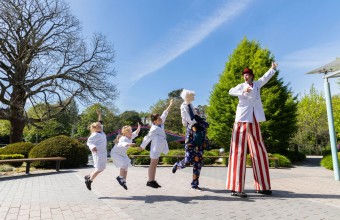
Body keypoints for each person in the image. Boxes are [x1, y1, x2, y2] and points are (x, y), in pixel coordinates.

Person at [226, 62, 278, 198]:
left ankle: (263, 186)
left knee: (259, 150)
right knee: (239, 151)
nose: (245, 77)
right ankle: (236, 188)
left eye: (247, 75)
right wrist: (243, 91)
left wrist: (272, 69)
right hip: (242, 119)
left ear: (251, 76)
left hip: (254, 117)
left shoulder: (257, 85)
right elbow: (230, 91)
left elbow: (264, 79)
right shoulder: (241, 86)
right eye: (244, 75)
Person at [172, 89, 209, 191]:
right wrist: (196, 122)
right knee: (188, 160)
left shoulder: (191, 106)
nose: (193, 98)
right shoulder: (183, 106)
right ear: (187, 97)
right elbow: (189, 120)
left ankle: (195, 184)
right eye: (192, 96)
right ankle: (178, 165)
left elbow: (195, 117)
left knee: (198, 161)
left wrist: (200, 121)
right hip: (191, 134)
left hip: (198, 136)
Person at [140, 99, 173, 188]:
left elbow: (165, 113)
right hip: (154, 149)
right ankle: (150, 181)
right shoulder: (153, 128)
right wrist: (142, 146)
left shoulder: (160, 124)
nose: (161, 119)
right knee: (152, 164)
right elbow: (147, 137)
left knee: (155, 165)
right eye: (159, 119)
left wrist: (170, 105)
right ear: (154, 121)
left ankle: (153, 180)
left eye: (160, 118)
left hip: (159, 148)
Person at [110, 123, 141, 190]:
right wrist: (129, 144)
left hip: (123, 154)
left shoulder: (130, 136)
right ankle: (120, 177)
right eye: (130, 131)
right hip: (116, 154)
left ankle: (123, 181)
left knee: (126, 166)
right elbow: (122, 144)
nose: (131, 132)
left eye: (131, 130)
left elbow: (136, 133)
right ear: (126, 132)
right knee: (123, 164)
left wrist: (139, 127)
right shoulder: (123, 138)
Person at [84, 109, 107, 191]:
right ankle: (89, 180)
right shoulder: (94, 134)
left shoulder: (101, 132)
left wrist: (100, 114)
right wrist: (92, 147)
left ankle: (88, 176)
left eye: (101, 126)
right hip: (98, 154)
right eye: (99, 126)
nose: (101, 126)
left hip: (103, 153)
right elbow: (89, 142)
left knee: (102, 168)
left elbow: (100, 121)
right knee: (99, 169)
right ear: (96, 128)